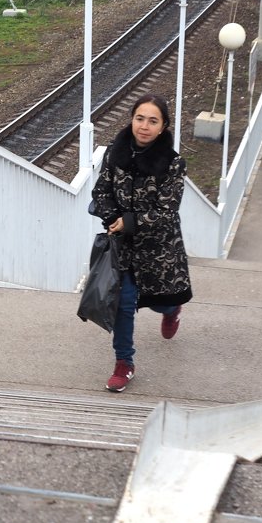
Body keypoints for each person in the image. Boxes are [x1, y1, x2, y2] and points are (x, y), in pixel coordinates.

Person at [89, 94, 192, 392]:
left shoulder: (173, 164)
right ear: (132, 119)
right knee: (123, 303)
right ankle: (125, 363)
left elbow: (167, 208)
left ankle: (172, 311)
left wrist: (130, 221)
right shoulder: (114, 153)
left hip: (160, 250)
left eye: (152, 121)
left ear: (163, 127)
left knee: (162, 302)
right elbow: (102, 191)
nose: (144, 126)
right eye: (139, 118)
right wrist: (112, 218)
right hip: (122, 247)